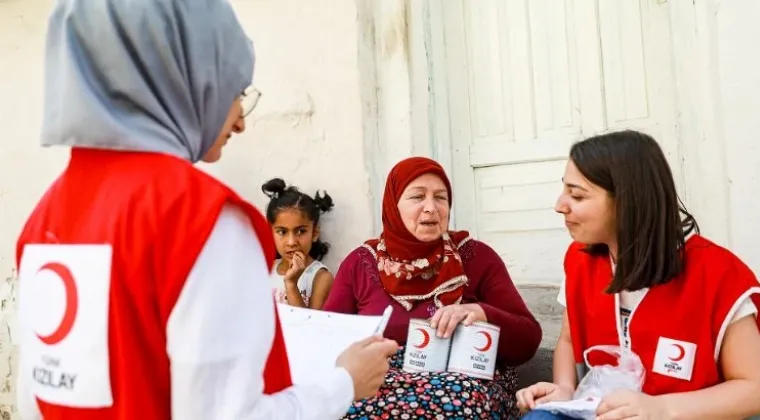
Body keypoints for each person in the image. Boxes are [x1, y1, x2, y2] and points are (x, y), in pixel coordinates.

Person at [15, 1, 397, 419]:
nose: (240, 121)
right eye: (233, 90)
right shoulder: (200, 219)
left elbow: (35, 402)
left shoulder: (45, 217)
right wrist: (344, 383)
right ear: (181, 79)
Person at [517, 130, 760, 420]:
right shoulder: (580, 262)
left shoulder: (718, 275)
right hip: (605, 409)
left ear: (628, 201)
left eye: (577, 195)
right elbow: (569, 341)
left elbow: (758, 389)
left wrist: (661, 409)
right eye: (565, 190)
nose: (560, 205)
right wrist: (563, 388)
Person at [324, 156, 543, 419]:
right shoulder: (361, 263)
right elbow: (328, 337)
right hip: (380, 379)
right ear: (393, 206)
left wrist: (481, 312)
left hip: (462, 381)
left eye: (440, 197)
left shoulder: (476, 257)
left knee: (460, 402)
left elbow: (528, 340)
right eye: (418, 197)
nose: (431, 208)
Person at [262, 177, 335, 309]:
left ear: (314, 234)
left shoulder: (320, 278)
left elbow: (308, 326)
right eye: (282, 232)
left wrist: (291, 284)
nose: (291, 242)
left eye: (301, 231)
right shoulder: (265, 270)